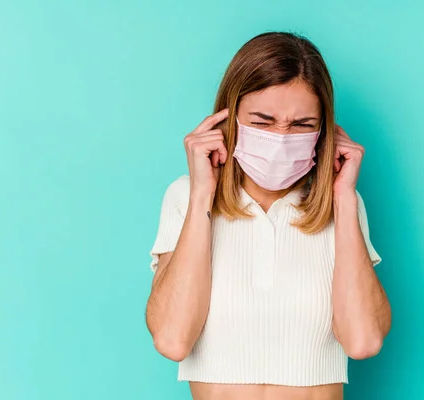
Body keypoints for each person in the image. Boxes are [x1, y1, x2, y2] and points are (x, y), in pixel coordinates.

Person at [145, 31, 392, 400]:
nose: (280, 137)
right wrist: (202, 195)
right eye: (262, 122)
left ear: (324, 130)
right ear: (227, 117)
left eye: (301, 125)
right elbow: (172, 339)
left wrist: (341, 198)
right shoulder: (186, 197)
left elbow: (363, 341)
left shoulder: (342, 204)